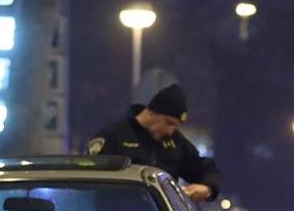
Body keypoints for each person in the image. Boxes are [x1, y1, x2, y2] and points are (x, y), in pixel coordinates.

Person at [87, 82, 222, 202]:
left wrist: (207, 188)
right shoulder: (113, 136)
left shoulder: (175, 142)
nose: (171, 131)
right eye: (169, 123)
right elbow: (93, 179)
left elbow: (205, 168)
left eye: (175, 125)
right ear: (152, 113)